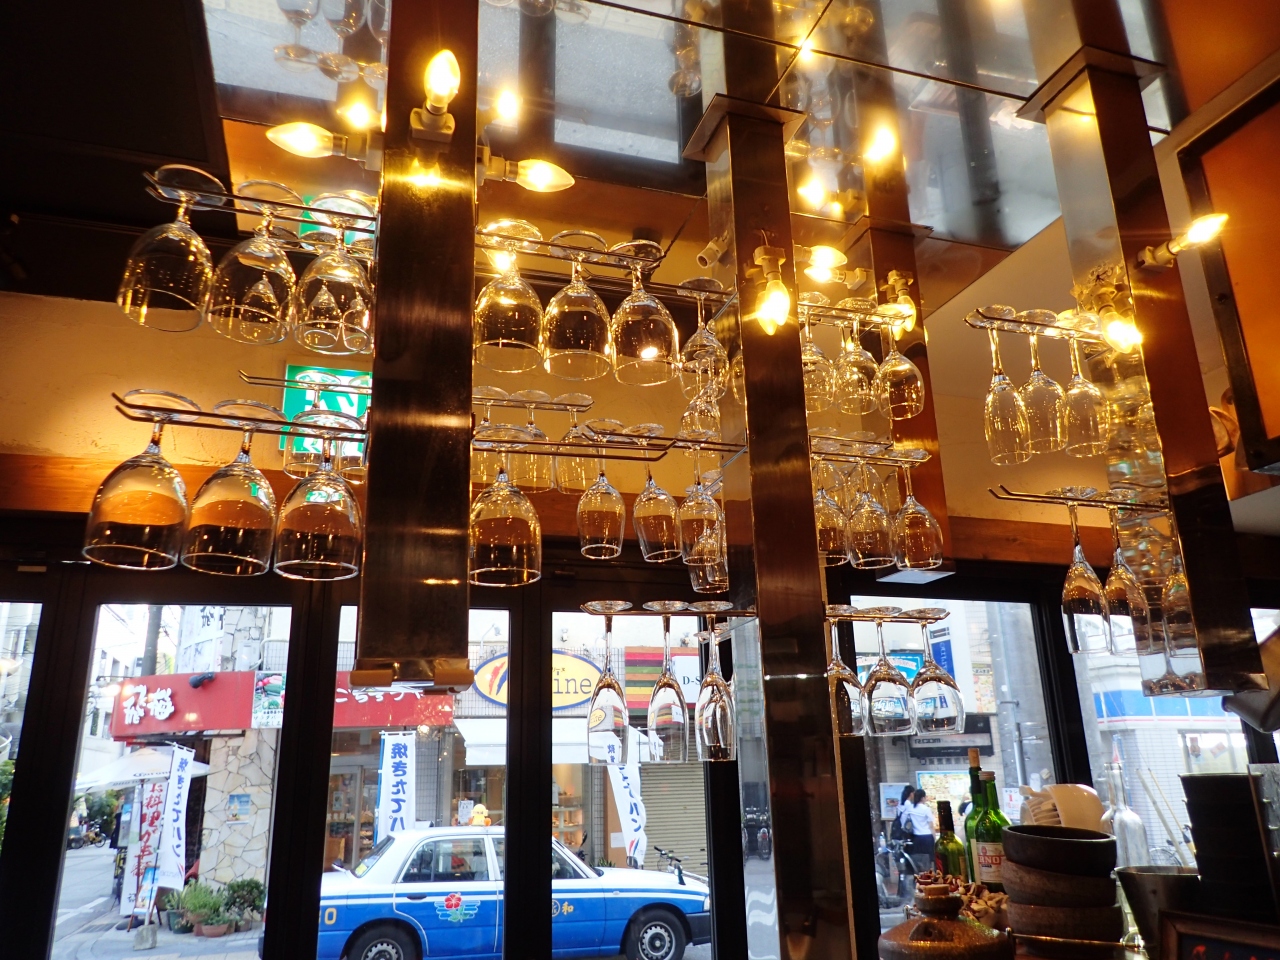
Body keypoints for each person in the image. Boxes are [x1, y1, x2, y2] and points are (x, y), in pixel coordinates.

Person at [902, 789, 936, 873]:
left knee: (918, 861)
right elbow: (931, 826)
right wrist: (934, 838)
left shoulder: (910, 808)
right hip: (927, 837)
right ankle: (929, 876)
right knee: (929, 860)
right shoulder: (926, 809)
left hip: (916, 838)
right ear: (923, 798)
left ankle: (920, 877)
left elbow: (903, 821)